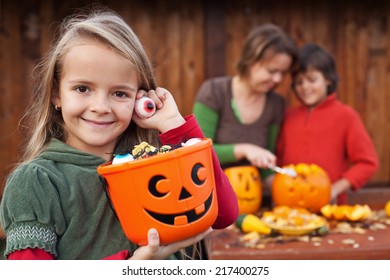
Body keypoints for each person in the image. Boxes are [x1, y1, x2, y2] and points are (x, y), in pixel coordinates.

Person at [0, 8, 238, 260]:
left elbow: (223, 213)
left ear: (140, 99)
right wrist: (133, 266)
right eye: (82, 88)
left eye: (119, 93)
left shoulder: (154, 161)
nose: (100, 107)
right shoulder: (38, 182)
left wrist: (174, 125)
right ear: (56, 94)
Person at [193, 24, 298, 190]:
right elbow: (196, 152)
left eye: (283, 73)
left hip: (254, 198)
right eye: (272, 71)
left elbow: (266, 168)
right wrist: (244, 149)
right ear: (250, 61)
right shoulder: (214, 92)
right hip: (212, 197)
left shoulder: (275, 104)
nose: (278, 79)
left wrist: (289, 190)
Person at [276, 43, 379, 204]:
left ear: (328, 80)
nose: (305, 87)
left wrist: (335, 189)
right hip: (289, 206)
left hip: (330, 206)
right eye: (299, 82)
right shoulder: (288, 117)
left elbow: (367, 163)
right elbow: (278, 160)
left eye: (312, 80)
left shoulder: (346, 116)